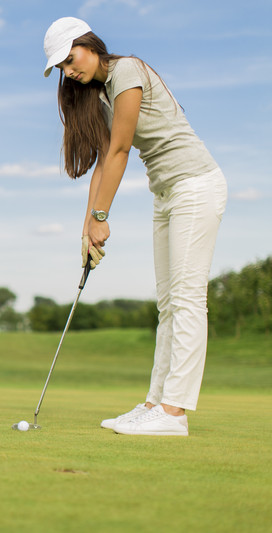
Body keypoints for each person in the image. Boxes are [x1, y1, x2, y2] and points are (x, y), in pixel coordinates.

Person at [42, 17, 227, 436]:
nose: (70, 71)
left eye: (71, 60)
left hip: (196, 185)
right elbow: (102, 160)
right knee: (168, 304)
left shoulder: (126, 71)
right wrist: (87, 226)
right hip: (167, 194)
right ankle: (154, 405)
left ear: (90, 45)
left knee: (187, 300)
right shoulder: (101, 95)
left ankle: (174, 413)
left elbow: (123, 148)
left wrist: (103, 217)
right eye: (63, 68)